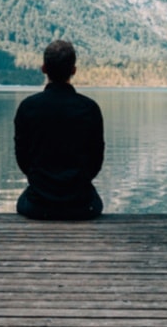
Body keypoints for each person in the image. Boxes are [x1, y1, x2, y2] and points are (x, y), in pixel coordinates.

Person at [14, 39, 104, 221]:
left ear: (44, 69)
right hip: (82, 206)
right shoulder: (90, 108)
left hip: (38, 205)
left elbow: (22, 158)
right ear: (73, 70)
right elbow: (96, 160)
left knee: (24, 201)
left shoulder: (28, 107)